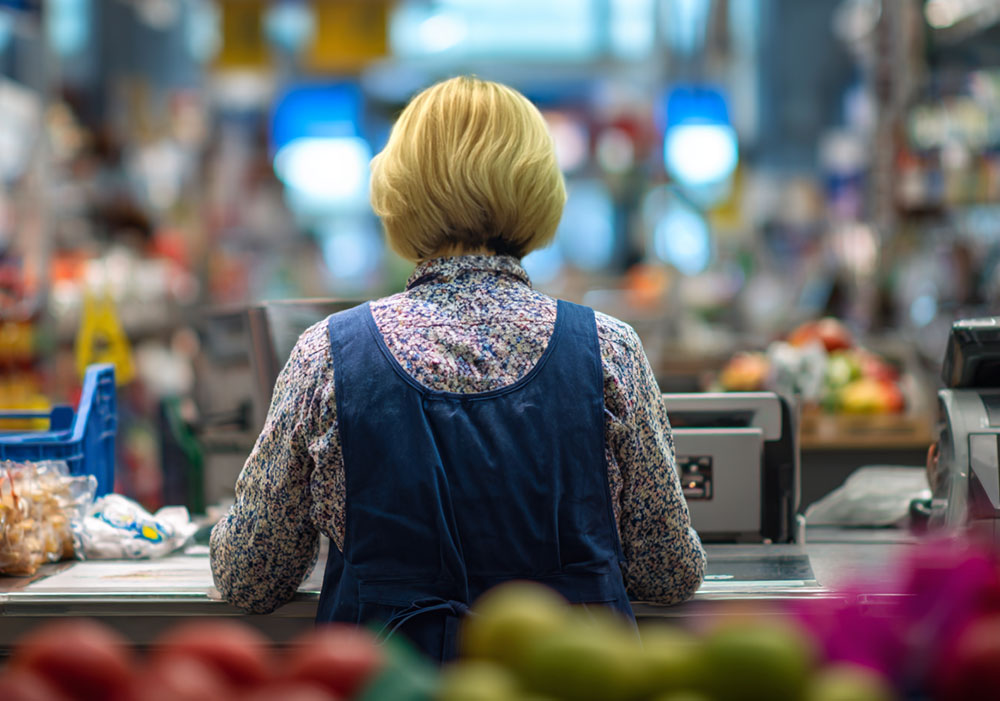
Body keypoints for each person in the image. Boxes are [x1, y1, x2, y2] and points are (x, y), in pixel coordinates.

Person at [210, 76, 705, 660]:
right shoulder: (608, 351)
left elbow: (251, 575)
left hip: (391, 680)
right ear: (540, 189)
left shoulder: (327, 356)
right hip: (566, 675)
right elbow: (667, 571)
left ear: (397, 190)